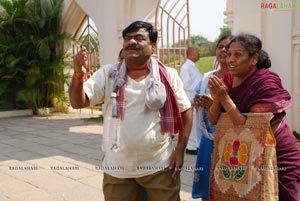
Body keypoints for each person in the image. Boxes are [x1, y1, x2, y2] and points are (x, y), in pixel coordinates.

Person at [69, 21, 192, 201]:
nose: (131, 42)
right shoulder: (108, 74)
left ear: (152, 46)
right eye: (128, 38)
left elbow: (186, 112)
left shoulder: (168, 75)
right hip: (117, 168)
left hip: (159, 164)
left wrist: (180, 150)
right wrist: (78, 75)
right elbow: (78, 103)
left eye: (139, 38)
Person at [208, 33, 300, 201]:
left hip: (275, 153)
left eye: (238, 55)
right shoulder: (227, 79)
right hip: (241, 153)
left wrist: (225, 98)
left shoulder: (266, 82)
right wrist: (216, 99)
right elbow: (214, 120)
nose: (230, 60)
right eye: (229, 54)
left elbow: (250, 129)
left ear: (254, 58)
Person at [191, 35, 233, 200]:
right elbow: (196, 99)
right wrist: (198, 101)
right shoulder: (208, 76)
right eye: (220, 46)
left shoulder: (239, 77)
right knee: (209, 185)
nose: (223, 49)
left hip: (230, 139)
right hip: (208, 138)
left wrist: (215, 105)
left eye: (228, 47)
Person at [180, 47, 202, 155]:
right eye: (197, 52)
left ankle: (196, 144)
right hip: (192, 98)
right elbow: (186, 84)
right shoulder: (186, 67)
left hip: (197, 97)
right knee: (192, 123)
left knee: (197, 122)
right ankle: (191, 146)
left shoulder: (193, 66)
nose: (199, 54)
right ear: (191, 54)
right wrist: (198, 90)